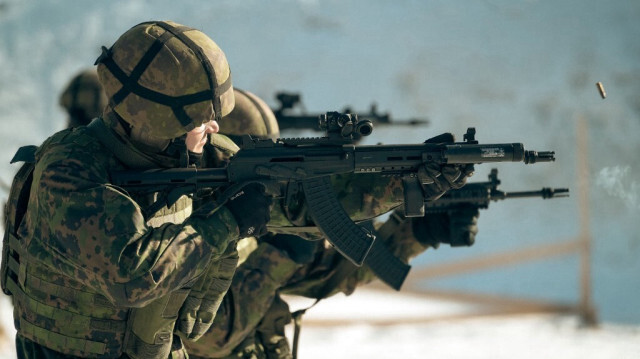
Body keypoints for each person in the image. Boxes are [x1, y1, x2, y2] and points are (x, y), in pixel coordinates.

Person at [1, 20, 272, 358]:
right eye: (199, 119)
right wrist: (228, 222)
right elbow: (132, 274)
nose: (213, 127)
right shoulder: (68, 170)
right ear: (158, 123)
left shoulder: (187, 156)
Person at [184, 89, 479, 359]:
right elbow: (203, 337)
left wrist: (420, 232)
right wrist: (276, 256)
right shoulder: (190, 228)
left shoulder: (256, 224)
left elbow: (334, 271)